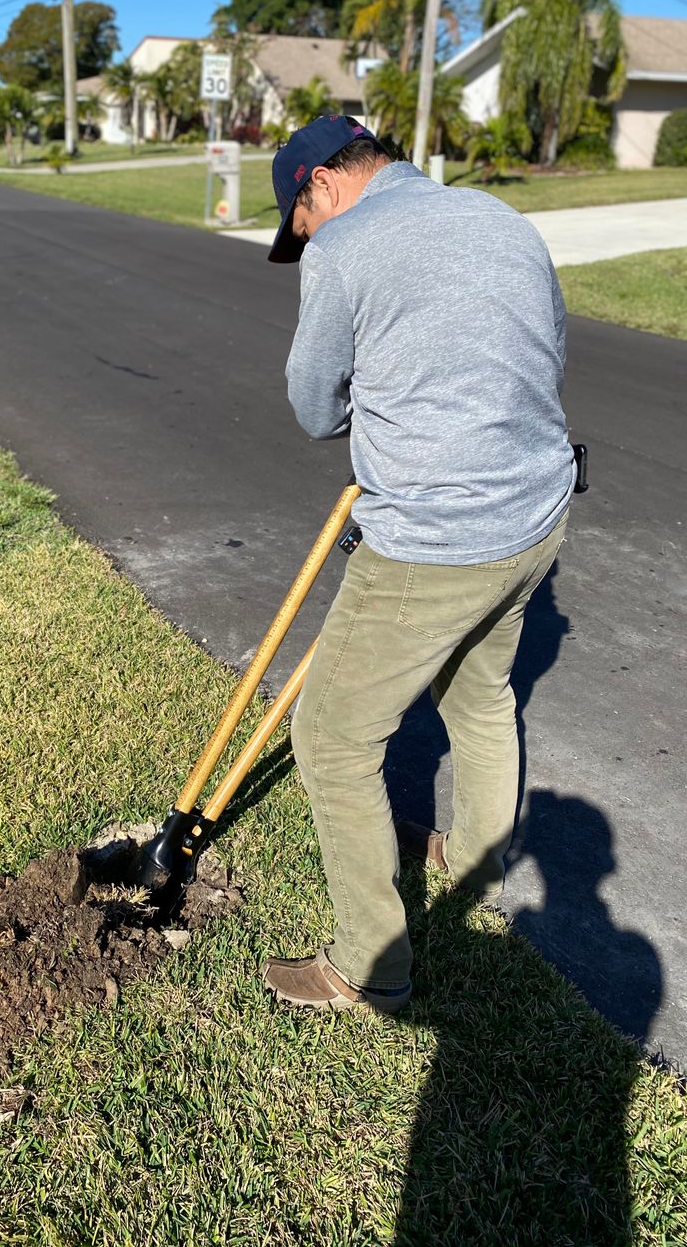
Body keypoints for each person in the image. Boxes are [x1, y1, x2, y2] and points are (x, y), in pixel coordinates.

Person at [261, 116, 576, 1016]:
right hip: (538, 515)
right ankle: (477, 863)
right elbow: (546, 352)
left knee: (330, 738)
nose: (307, 237)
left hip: (435, 539)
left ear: (320, 184)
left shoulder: (346, 247)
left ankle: (369, 966)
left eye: (300, 220)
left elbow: (315, 406)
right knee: (480, 697)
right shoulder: (499, 218)